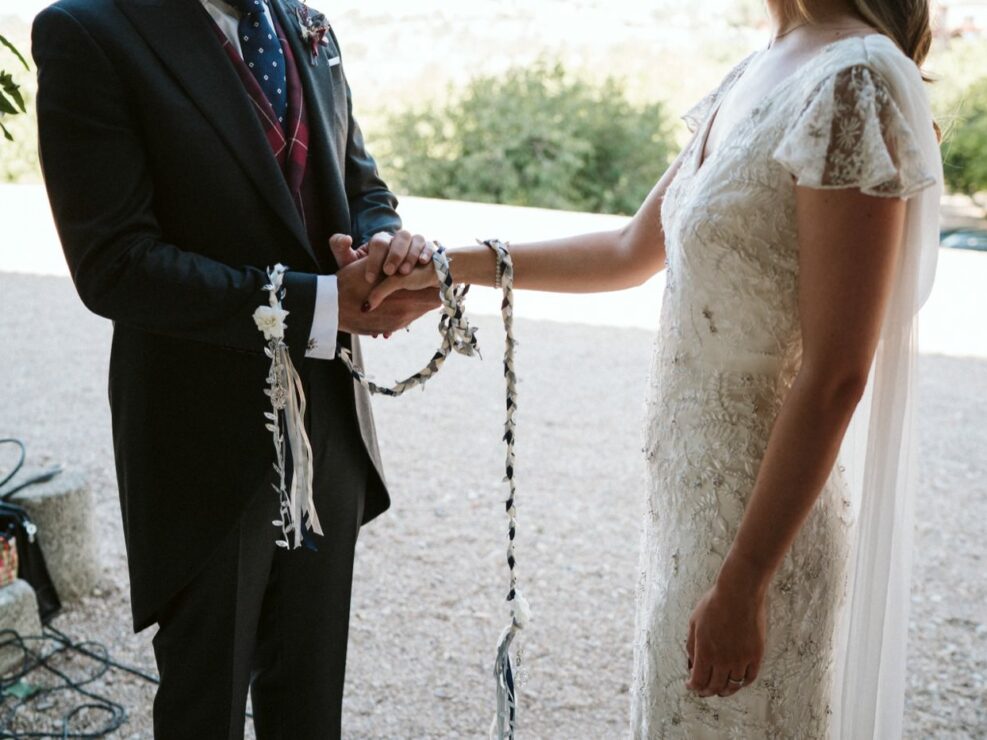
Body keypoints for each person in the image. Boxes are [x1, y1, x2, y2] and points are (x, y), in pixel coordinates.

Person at [367, 0, 942, 736]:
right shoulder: (763, 65)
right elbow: (628, 250)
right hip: (687, 510)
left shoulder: (855, 80)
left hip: (762, 529)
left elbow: (837, 373)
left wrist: (745, 579)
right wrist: (445, 271)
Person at [32, 0, 438, 736]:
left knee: (311, 703)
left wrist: (385, 248)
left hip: (330, 424)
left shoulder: (305, 22)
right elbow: (116, 264)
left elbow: (361, 188)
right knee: (204, 706)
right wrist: (319, 303)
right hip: (200, 438)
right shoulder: (89, 30)